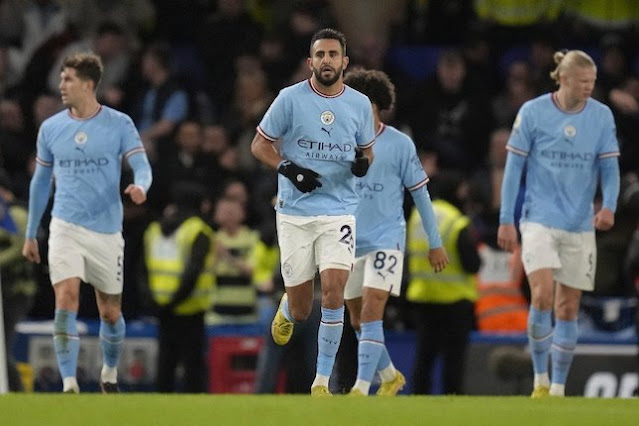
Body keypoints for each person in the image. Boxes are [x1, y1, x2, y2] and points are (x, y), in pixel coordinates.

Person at [250, 28, 376, 396]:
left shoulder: (359, 105)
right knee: (304, 308)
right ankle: (288, 309)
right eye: (320, 55)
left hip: (338, 211)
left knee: (335, 290)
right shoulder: (290, 99)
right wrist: (289, 169)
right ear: (310, 62)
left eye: (333, 55)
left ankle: (321, 382)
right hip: (294, 213)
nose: (326, 61)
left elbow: (367, 153)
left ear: (344, 62)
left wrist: (361, 165)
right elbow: (259, 144)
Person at [21, 52, 153, 393]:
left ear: (88, 84)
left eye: (68, 80)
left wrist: (141, 186)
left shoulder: (119, 123)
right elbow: (40, 183)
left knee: (109, 311)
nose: (61, 85)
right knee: (66, 298)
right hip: (64, 226)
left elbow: (142, 165)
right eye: (62, 79)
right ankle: (69, 383)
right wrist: (31, 232)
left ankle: (109, 373)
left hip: (107, 230)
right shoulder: (51, 128)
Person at [498, 49, 620, 398]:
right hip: (539, 220)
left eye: (593, 83)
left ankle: (558, 389)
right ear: (563, 79)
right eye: (583, 82)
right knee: (542, 295)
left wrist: (608, 206)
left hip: (580, 224)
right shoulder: (533, 112)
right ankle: (539, 380)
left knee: (568, 306)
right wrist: (507, 219)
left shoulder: (601, 116)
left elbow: (609, 167)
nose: (589, 88)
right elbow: (513, 169)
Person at [340, 68, 449, 396]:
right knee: (358, 319)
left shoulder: (400, 144)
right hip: (347, 242)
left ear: (376, 105)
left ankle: (361, 388)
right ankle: (388, 375)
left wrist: (435, 242)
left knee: (374, 308)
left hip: (387, 239)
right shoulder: (340, 143)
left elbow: (420, 194)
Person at [406, 171, 480, 395]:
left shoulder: (417, 216)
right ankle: (452, 398)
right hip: (454, 299)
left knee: (424, 355)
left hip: (424, 296)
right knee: (453, 357)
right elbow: (472, 264)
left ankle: (418, 398)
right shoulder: (456, 220)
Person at [142, 181, 214, 393]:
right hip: (191, 308)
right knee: (194, 365)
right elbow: (193, 272)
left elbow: (142, 270)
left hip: (161, 307)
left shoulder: (153, 229)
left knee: (166, 362)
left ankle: (161, 411)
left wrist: (154, 302)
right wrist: (176, 300)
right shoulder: (198, 231)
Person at [0, 168, 36, 391]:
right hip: (5, 290)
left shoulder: (18, 215)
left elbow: (18, 249)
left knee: (3, 349)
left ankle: (17, 393)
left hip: (16, 292)